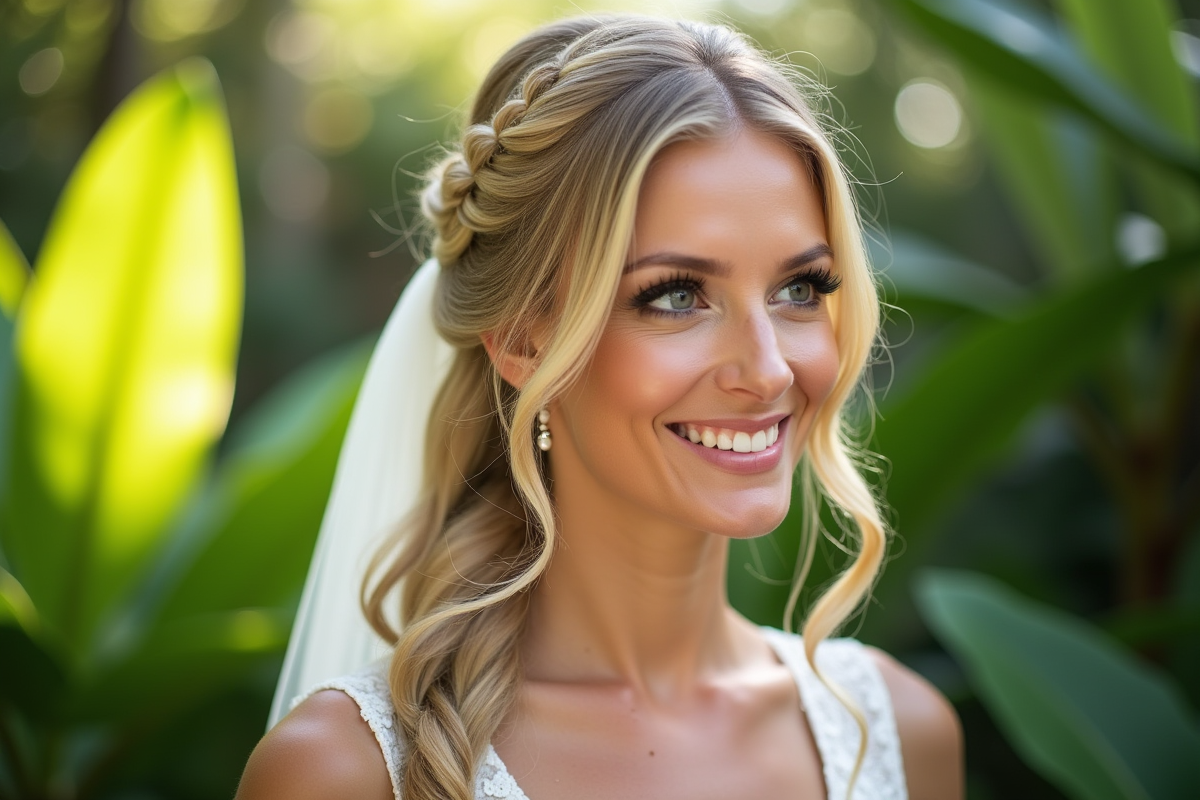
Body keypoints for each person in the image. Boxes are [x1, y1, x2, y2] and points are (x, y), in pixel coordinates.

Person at [236, 14, 963, 800]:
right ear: (521, 342)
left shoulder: (896, 733)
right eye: (677, 296)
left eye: (800, 289)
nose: (768, 368)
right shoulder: (346, 773)